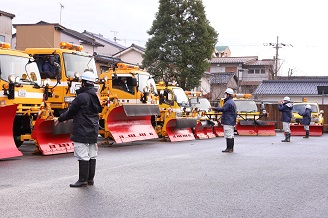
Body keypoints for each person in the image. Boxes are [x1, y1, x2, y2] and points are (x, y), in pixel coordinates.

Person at [55, 70, 102, 187]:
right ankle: (90, 179)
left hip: (82, 129)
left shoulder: (81, 97)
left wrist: (60, 119)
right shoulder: (96, 96)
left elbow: (71, 111)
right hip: (93, 129)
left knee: (82, 154)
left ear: (84, 83)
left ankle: (82, 180)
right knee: (92, 154)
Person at [212, 88, 237, 153]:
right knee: (231, 135)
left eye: (226, 94)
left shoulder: (228, 102)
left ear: (228, 94)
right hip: (231, 120)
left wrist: (214, 108)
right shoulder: (232, 102)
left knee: (228, 135)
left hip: (228, 120)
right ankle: (230, 148)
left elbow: (223, 109)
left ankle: (229, 148)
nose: (225, 95)